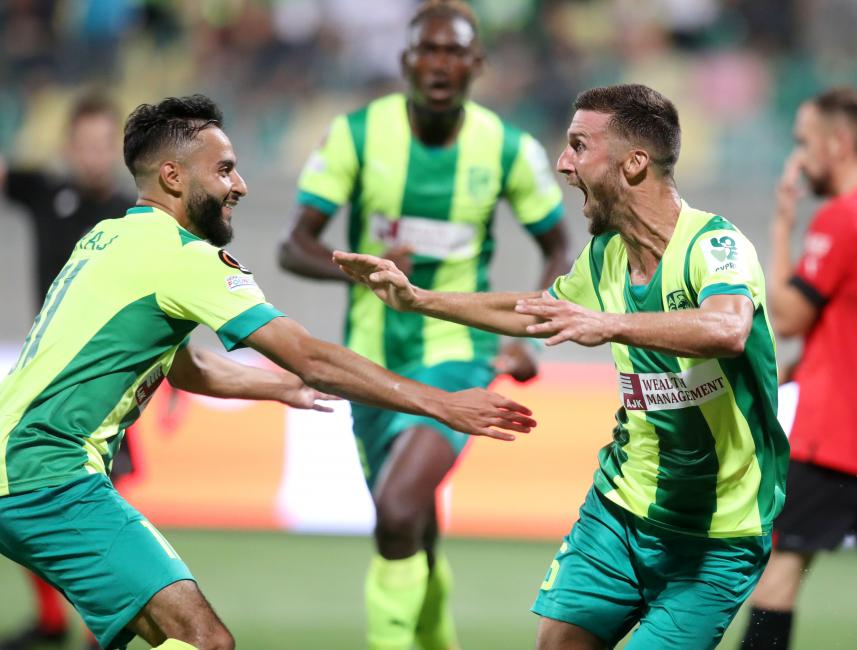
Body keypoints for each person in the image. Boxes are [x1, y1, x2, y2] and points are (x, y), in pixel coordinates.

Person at [0, 94, 535, 650]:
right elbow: (309, 354)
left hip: (17, 464)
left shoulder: (108, 238)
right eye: (224, 170)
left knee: (167, 632)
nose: (241, 185)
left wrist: (280, 387)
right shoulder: (184, 257)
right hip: (48, 473)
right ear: (173, 177)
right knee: (205, 640)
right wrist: (443, 403)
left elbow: (186, 368)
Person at [335, 83, 790, 650]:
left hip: (720, 533)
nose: (562, 163)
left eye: (578, 145)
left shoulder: (714, 245)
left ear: (633, 163)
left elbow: (727, 328)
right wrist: (419, 299)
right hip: (620, 509)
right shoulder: (606, 256)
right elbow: (537, 311)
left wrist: (610, 324)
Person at [279, 3, 569, 647]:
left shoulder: (508, 148)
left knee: (397, 509)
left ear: (476, 64)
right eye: (427, 51)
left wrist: (530, 329)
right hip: (370, 364)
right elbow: (293, 245)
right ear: (406, 62)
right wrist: (359, 274)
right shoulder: (356, 135)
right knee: (414, 526)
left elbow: (559, 247)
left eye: (454, 52)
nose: (440, 65)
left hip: (458, 355)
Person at [0, 93, 136, 650]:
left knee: (99, 506)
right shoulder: (43, 192)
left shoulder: (134, 215)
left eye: (104, 144)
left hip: (106, 381)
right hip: (42, 379)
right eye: (85, 144)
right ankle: (52, 620)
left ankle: (93, 629)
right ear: (68, 147)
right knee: (20, 498)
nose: (94, 155)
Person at [739, 87, 857, 650]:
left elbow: (786, 317)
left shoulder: (841, 219)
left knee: (778, 576)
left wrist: (783, 226)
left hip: (835, 438)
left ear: (838, 142)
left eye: (804, 143)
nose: (798, 160)